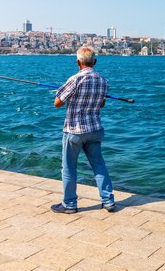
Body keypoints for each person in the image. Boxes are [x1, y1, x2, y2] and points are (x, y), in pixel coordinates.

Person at [50, 46, 115, 214]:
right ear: (94, 62)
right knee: (99, 164)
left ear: (78, 62)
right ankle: (108, 201)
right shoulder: (103, 81)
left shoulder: (75, 79)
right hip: (95, 129)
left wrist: (64, 93)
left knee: (69, 167)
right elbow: (101, 103)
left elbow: (57, 103)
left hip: (74, 130)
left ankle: (69, 204)